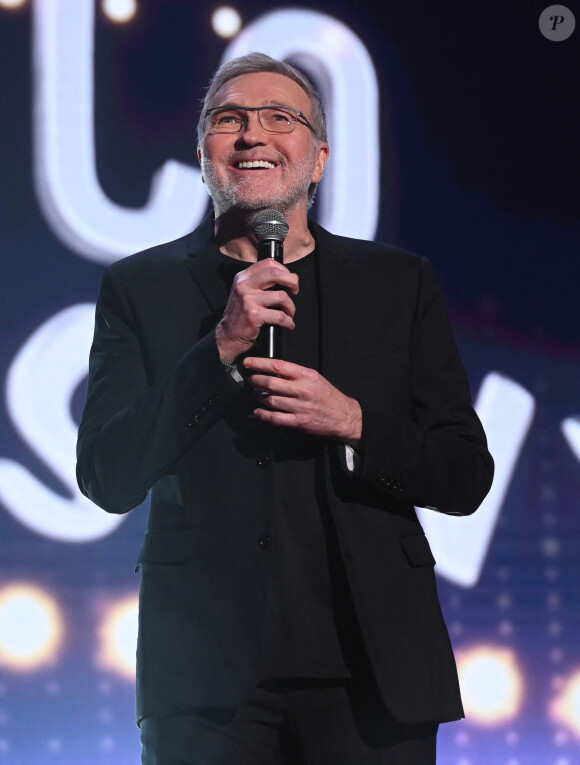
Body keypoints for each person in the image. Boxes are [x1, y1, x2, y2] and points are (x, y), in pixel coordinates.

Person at [76, 52, 494, 765]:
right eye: (228, 120)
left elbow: (464, 473)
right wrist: (219, 348)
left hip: (375, 674)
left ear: (320, 157)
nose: (252, 135)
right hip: (207, 688)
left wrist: (355, 422)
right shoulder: (139, 288)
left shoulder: (398, 284)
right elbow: (108, 474)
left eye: (280, 118)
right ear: (203, 154)